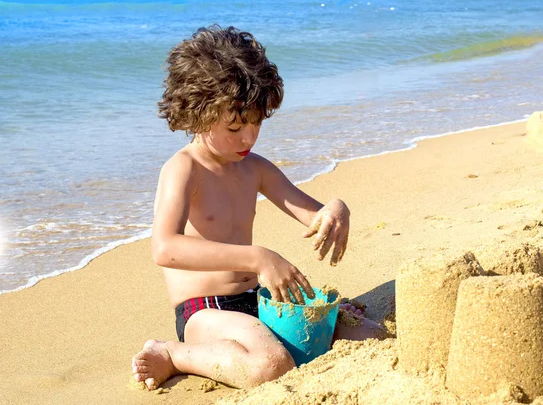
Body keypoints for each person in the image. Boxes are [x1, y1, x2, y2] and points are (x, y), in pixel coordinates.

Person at [132, 25, 382, 391]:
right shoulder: (184, 169)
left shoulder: (255, 168)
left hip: (258, 300)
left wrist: (337, 210)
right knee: (271, 366)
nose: (248, 137)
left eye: (256, 123)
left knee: (369, 335)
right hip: (205, 309)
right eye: (235, 127)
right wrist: (259, 258)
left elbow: (314, 217)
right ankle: (172, 353)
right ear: (197, 113)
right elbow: (165, 248)